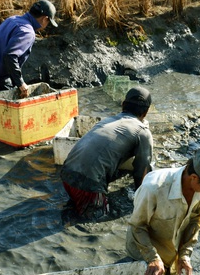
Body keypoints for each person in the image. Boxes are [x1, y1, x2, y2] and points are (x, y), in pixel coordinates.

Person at [126, 146, 200, 275]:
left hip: (171, 252)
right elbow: (137, 226)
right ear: (194, 178)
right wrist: (152, 258)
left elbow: (196, 223)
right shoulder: (154, 188)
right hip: (143, 250)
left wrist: (184, 255)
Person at [60, 86, 154, 218]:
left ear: (123, 105)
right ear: (146, 112)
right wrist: (143, 202)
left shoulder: (107, 121)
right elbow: (142, 174)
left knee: (73, 209)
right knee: (99, 218)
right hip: (87, 187)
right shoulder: (142, 132)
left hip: (66, 176)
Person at [0, 0, 58, 119]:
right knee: (6, 121)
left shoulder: (13, 19)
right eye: (48, 23)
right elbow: (10, 56)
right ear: (45, 18)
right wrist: (20, 83)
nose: (46, 26)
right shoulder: (27, 32)